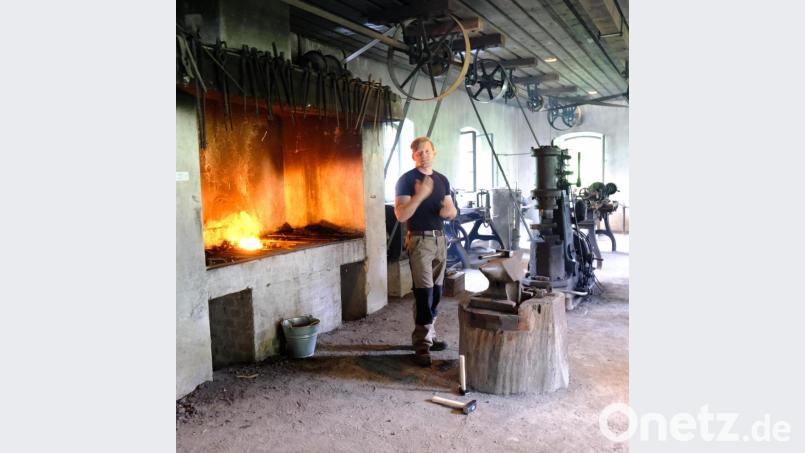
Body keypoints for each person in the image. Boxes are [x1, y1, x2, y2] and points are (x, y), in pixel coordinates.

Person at [394, 136, 457, 366]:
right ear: (413, 155)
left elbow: (452, 210)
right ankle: (421, 344)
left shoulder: (442, 180)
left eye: (427, 151)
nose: (423, 155)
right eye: (418, 152)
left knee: (437, 292)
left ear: (434, 152)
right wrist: (420, 195)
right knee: (424, 293)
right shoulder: (406, 180)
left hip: (440, 240)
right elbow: (401, 215)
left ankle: (430, 334)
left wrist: (449, 212)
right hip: (420, 241)